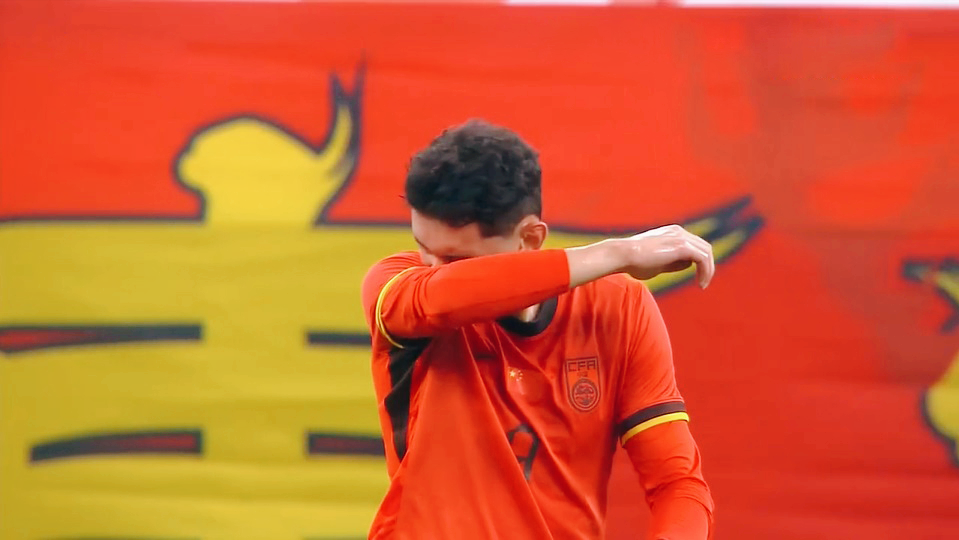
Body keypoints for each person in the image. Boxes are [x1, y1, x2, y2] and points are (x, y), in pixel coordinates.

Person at [360, 119, 715, 539]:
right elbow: (438, 295)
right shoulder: (396, 287)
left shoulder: (618, 306)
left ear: (530, 238)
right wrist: (619, 252)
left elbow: (677, 484)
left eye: (455, 260)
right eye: (423, 249)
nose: (432, 269)